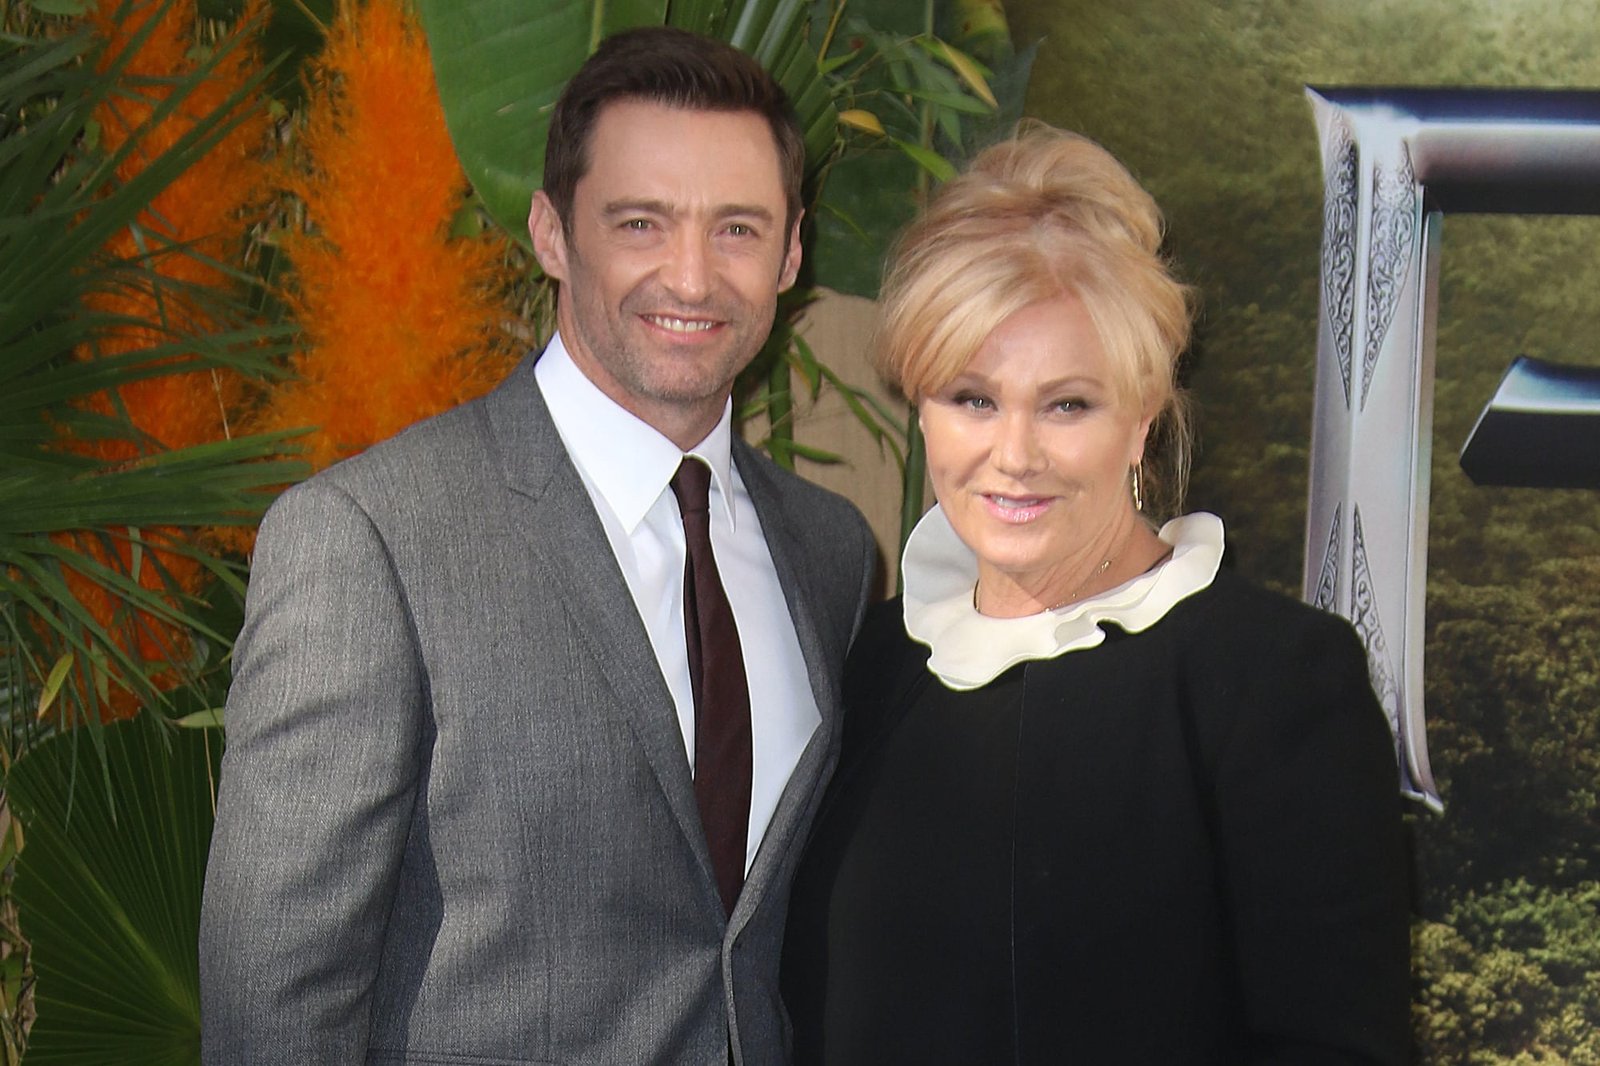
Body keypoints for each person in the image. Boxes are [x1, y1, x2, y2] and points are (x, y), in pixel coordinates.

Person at [200, 26, 876, 1065]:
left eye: (737, 229)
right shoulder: (369, 542)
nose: (692, 277)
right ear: (553, 233)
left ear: (791, 252)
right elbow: (271, 1012)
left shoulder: (831, 553)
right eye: (641, 223)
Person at [781, 122, 1410, 1065]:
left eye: (1067, 404)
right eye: (973, 398)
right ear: (921, 407)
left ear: (1142, 416)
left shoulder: (1273, 684)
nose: (1014, 454)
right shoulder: (868, 667)